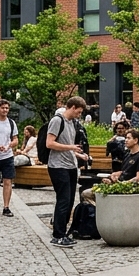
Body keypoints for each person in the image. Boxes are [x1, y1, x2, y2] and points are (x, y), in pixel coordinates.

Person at [45, 97, 87, 248]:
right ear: (73, 107)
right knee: (63, 200)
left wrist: (78, 154)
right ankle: (58, 235)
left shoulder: (71, 123)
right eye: (79, 112)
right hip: (58, 166)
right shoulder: (57, 120)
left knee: (69, 201)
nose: (79, 115)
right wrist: (70, 147)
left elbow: (67, 146)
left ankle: (63, 233)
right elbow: (49, 143)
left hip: (70, 165)